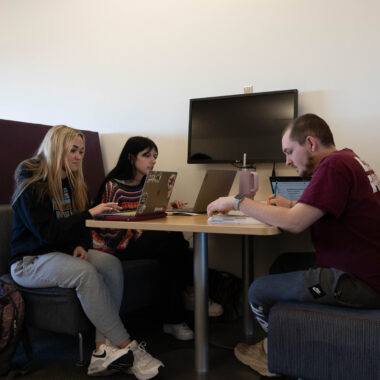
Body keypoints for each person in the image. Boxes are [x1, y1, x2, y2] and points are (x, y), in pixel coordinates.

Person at [207, 113, 380, 377]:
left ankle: (275, 354)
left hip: (358, 282)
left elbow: (295, 224)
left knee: (258, 291)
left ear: (310, 143)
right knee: (282, 263)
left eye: (289, 152)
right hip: (366, 269)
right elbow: (321, 211)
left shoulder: (333, 166)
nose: (287, 161)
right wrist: (291, 206)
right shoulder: (349, 159)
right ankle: (282, 339)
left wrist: (237, 201)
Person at [9, 125, 163, 379]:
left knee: (110, 264)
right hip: (29, 261)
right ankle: (127, 346)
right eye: (73, 150)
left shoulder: (70, 182)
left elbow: (79, 226)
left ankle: (102, 349)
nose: (79, 156)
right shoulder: (31, 179)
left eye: (81, 151)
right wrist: (90, 214)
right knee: (86, 272)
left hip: (61, 254)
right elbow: (46, 233)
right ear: (56, 148)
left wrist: (79, 245)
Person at [92, 136, 223, 340]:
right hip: (118, 245)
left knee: (172, 246)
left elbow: (146, 214)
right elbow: (109, 230)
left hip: (143, 240)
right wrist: (138, 229)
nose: (152, 160)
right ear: (130, 157)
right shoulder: (113, 186)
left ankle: (175, 318)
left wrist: (166, 208)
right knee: (171, 244)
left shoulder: (149, 184)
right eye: (147, 155)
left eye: (155, 156)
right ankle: (190, 294)